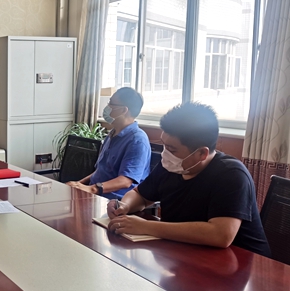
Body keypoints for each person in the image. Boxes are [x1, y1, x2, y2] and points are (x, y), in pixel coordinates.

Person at [107, 102, 271, 256]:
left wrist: (146, 226)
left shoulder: (231, 175)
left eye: (172, 149)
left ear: (202, 153)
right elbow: (140, 195)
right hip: (186, 253)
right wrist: (125, 206)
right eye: (164, 145)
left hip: (242, 263)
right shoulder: (172, 165)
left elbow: (221, 235)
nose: (165, 154)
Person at [67, 87, 151, 199]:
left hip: (116, 201)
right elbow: (101, 171)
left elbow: (125, 181)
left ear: (123, 110)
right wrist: (78, 184)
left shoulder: (137, 140)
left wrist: (92, 189)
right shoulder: (112, 134)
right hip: (96, 194)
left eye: (111, 103)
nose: (107, 107)